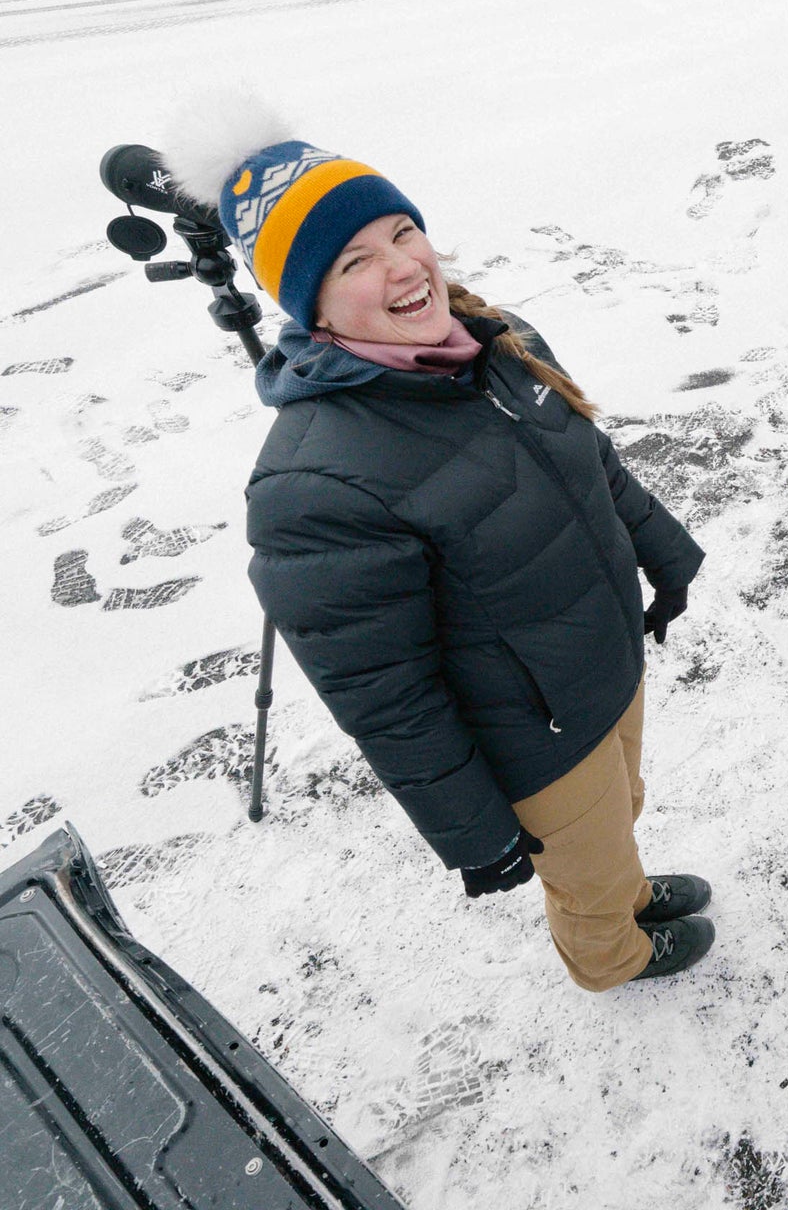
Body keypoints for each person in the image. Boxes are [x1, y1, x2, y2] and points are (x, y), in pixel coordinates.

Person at [173, 124, 711, 990]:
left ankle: (627, 889)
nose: (402, 266)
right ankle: (612, 955)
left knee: (619, 814)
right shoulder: (313, 483)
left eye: (399, 232)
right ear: (308, 307)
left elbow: (590, 460)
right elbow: (386, 696)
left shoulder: (495, 338)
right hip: (533, 736)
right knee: (584, 862)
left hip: (604, 660)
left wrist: (663, 552)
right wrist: (472, 830)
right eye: (353, 263)